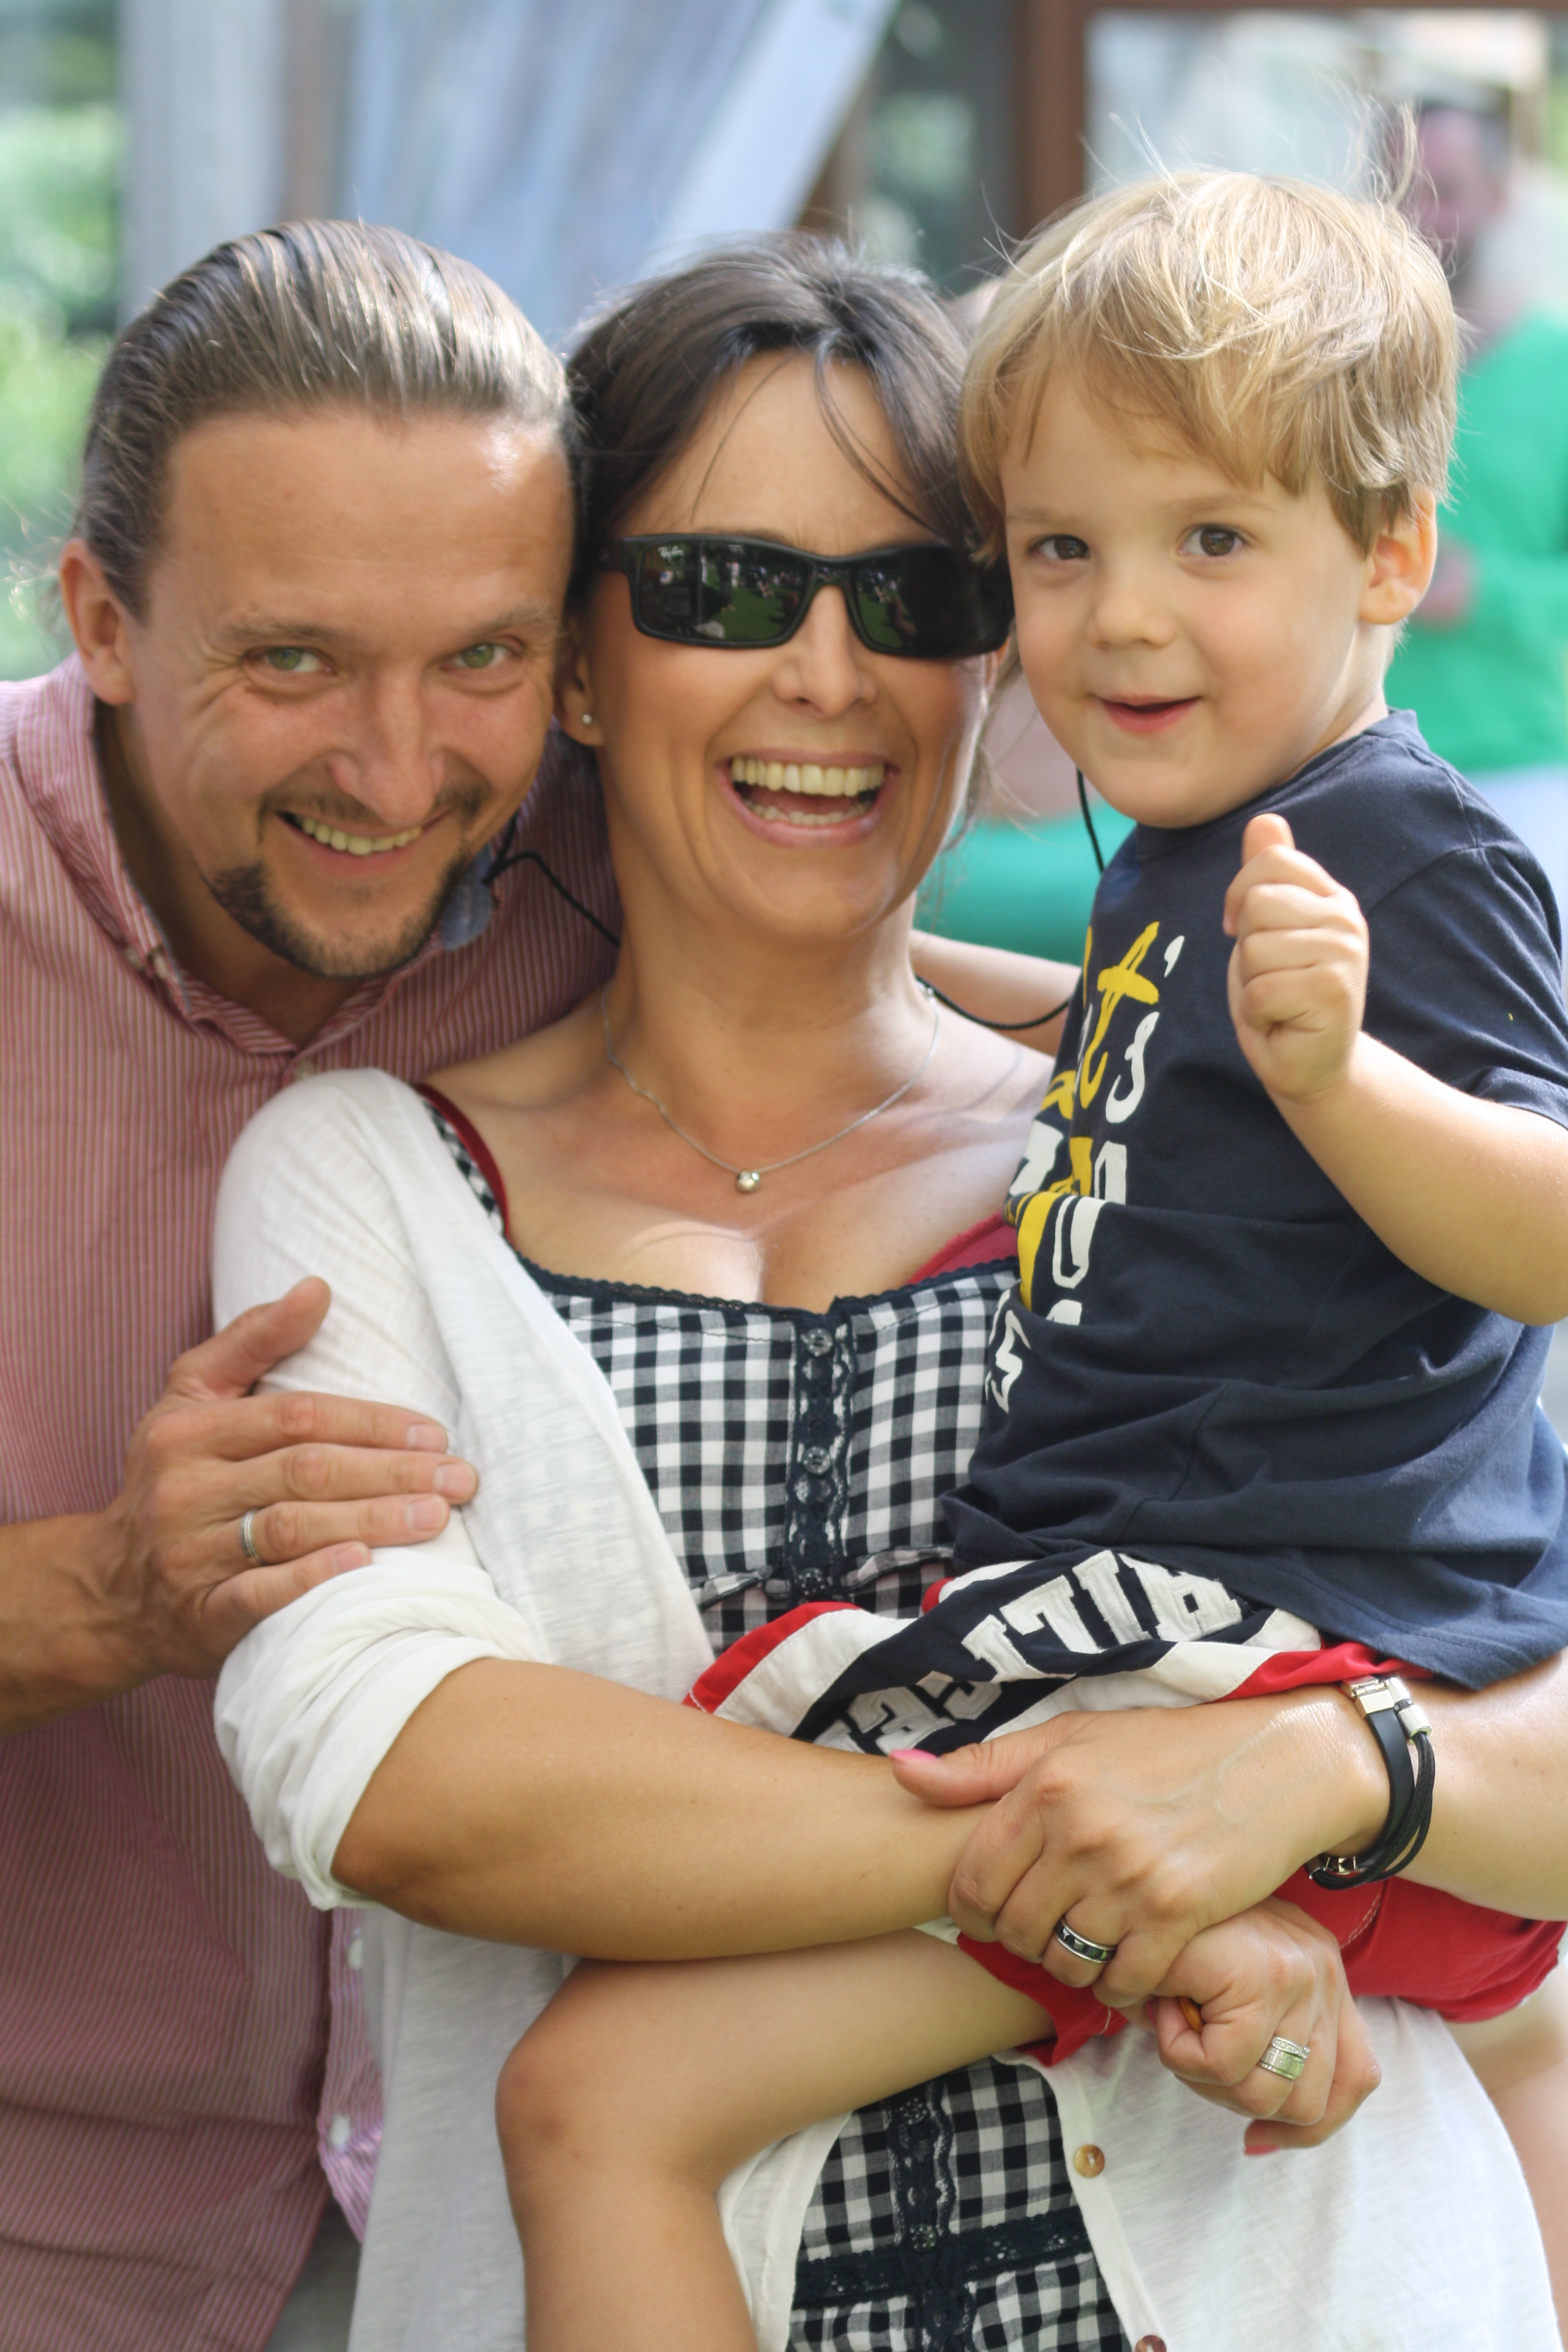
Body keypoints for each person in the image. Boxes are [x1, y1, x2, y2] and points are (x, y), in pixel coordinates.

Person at [212, 235, 1562, 2352]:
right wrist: (1135, 1862)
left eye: (917, 596)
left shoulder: (1224, 1088)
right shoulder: (371, 1173)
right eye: (724, 587)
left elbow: (1504, 1608)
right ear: (577, 662)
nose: (827, 672)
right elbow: (399, 1773)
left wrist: (1314, 1790)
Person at [0, 215, 1054, 2350]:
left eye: (478, 658)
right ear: (100, 615)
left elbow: (831, 936)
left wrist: (1209, 1052)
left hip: (482, 2224)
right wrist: (105, 1588)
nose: (399, 773)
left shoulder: (581, 838)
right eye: (293, 662)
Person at [1387, 103, 1568, 938]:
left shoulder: (1558, 374)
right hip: (1364, 772)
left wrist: (1480, 591)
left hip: (1527, 781)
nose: (1420, 219)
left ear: (1498, 196)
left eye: (1444, 190)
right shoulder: (1348, 375)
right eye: (1400, 192)